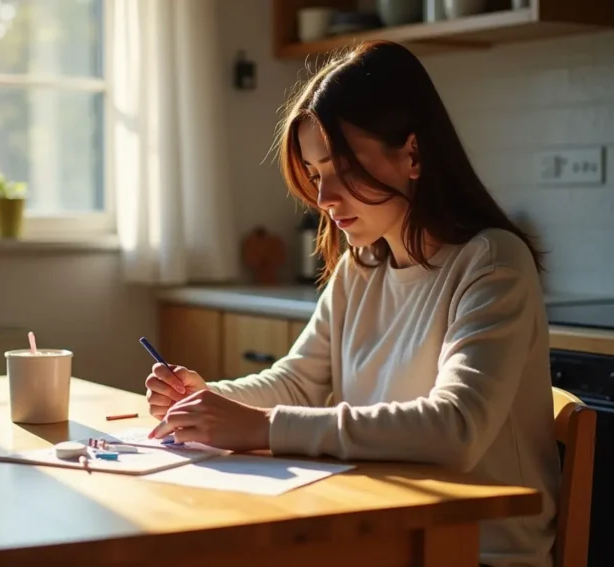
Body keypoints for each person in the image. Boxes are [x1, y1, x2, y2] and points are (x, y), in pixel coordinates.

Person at [144, 40, 560, 567]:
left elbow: (457, 427)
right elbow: (298, 381)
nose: (324, 199)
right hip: (385, 528)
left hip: (479, 550)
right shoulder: (361, 268)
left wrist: (261, 427)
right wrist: (208, 400)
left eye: (342, 168)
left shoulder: (492, 263)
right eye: (317, 175)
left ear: (412, 154)